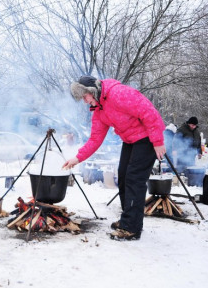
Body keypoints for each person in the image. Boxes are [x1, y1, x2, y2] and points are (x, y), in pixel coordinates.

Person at [62, 76, 166, 241]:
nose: (84, 101)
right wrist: (77, 158)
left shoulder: (117, 93)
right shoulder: (99, 111)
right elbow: (95, 139)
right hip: (130, 140)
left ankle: (131, 228)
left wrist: (158, 141)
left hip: (147, 139)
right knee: (123, 177)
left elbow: (148, 111)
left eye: (84, 97)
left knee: (134, 179)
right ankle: (129, 219)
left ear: (92, 91)